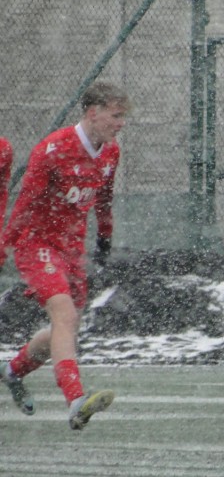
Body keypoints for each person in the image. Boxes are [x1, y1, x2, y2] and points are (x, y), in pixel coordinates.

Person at [0, 82, 128, 430]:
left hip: (72, 248)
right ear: (92, 113)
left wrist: (104, 236)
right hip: (36, 243)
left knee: (65, 328)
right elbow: (24, 207)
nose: (120, 124)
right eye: (115, 116)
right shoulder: (53, 150)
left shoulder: (110, 153)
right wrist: (4, 248)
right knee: (64, 315)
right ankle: (75, 401)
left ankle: (12, 371)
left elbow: (104, 197)